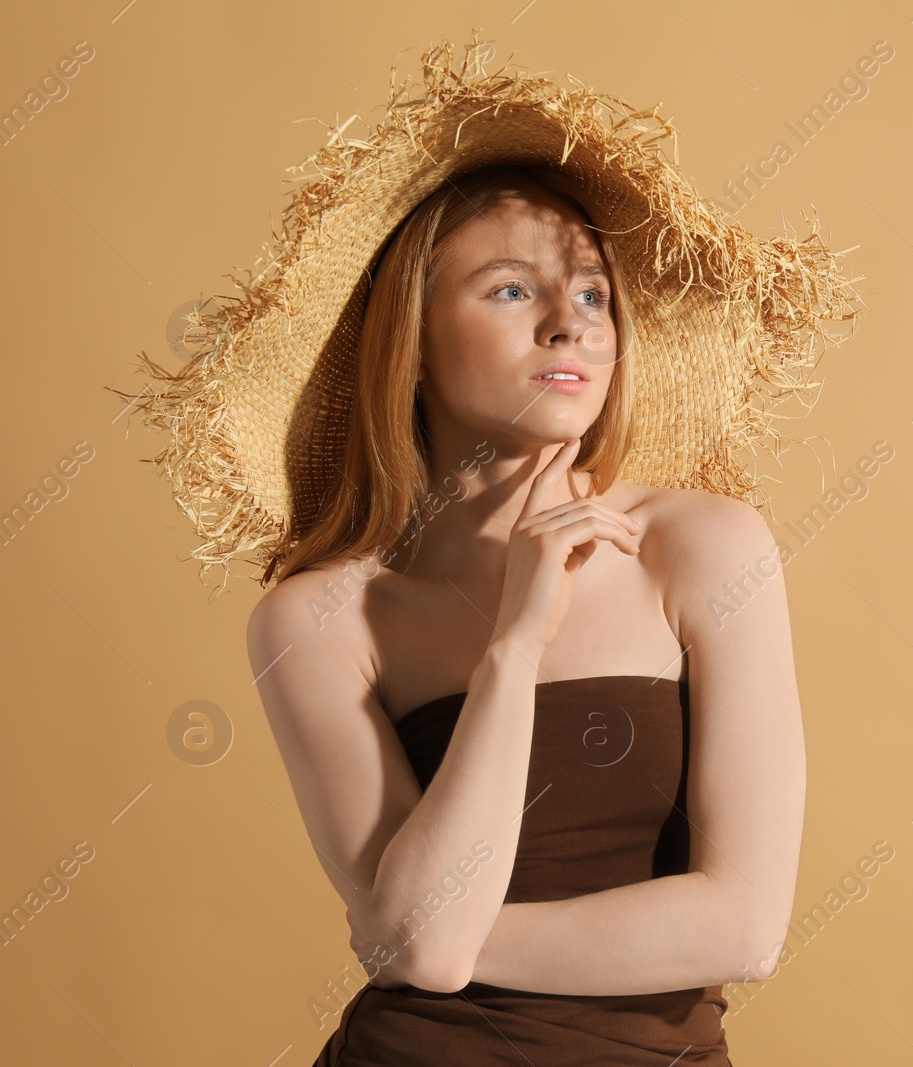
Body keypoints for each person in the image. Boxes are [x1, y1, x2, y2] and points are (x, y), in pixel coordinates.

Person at [112, 34, 863, 1064]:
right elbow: (418, 935)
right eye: (512, 290)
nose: (571, 324)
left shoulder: (702, 547)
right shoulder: (320, 617)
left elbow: (744, 926)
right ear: (410, 345)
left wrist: (429, 939)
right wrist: (514, 644)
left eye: (594, 295)